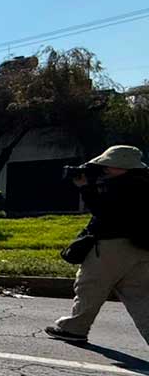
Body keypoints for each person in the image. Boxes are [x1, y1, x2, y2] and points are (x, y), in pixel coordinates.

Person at [45, 145, 149, 345]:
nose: (105, 169)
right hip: (141, 248)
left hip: (111, 246)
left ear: (122, 166)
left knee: (90, 287)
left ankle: (74, 328)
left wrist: (86, 188)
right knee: (142, 298)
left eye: (108, 165)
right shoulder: (144, 182)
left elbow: (105, 212)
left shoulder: (122, 186)